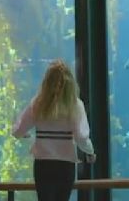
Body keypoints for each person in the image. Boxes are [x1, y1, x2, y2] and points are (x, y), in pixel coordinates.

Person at [12, 59, 96, 201]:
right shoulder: (75, 104)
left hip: (43, 165)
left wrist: (25, 134)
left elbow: (17, 130)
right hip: (65, 165)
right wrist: (90, 152)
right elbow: (81, 137)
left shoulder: (38, 103)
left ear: (46, 82)